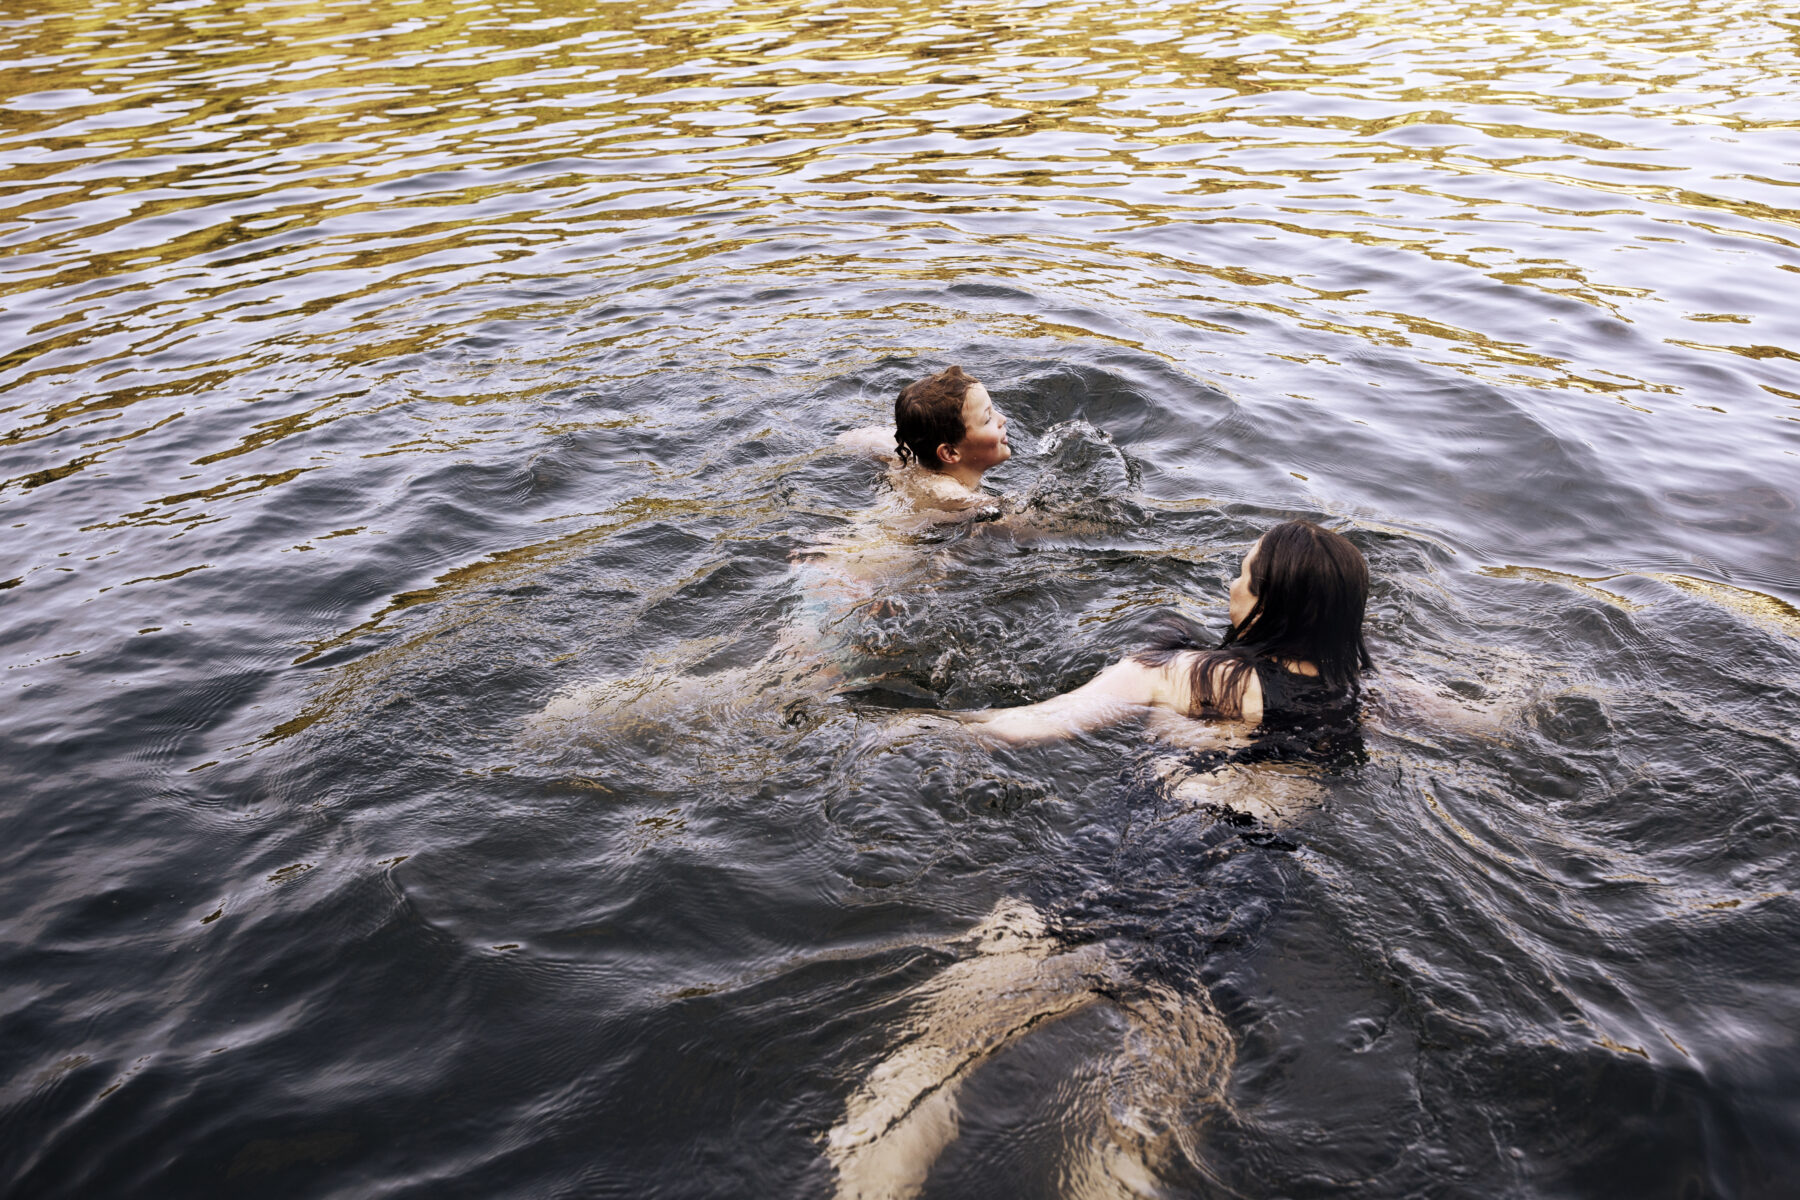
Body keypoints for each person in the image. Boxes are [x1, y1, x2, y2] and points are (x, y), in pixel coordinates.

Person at [825, 521, 1373, 1198]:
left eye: (1244, 574)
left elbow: (1021, 728)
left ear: (1275, 603)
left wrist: (899, 718)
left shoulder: (1189, 673)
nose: (1231, 585)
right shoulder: (1365, 703)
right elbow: (1490, 723)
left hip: (1121, 860)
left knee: (934, 1055)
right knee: (1132, 1135)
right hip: (1236, 894)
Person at [837, 365, 1011, 516]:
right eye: (987, 418)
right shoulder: (950, 495)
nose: (1002, 418)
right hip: (878, 549)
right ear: (949, 453)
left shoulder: (908, 459)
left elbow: (847, 439)